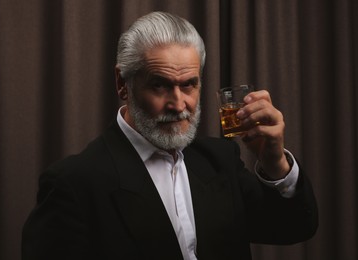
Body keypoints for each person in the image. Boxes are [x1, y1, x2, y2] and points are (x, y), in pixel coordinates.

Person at [22, 11, 318, 260]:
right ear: (122, 84)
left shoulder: (220, 160)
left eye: (189, 84)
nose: (179, 105)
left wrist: (274, 160)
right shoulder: (72, 184)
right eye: (160, 85)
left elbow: (294, 227)